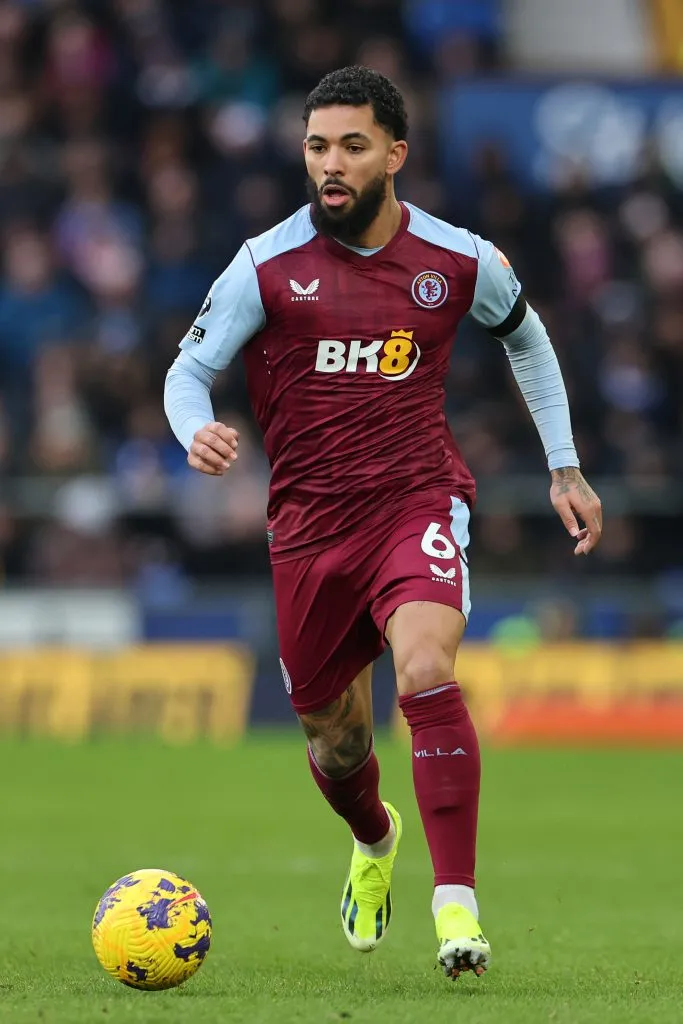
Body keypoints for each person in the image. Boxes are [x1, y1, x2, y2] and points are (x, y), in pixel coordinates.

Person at [164, 66, 603, 980]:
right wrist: (193, 427)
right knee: (336, 740)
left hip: (415, 501)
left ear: (394, 154)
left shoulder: (459, 261)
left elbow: (526, 336)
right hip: (308, 531)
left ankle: (457, 911)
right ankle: (374, 838)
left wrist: (563, 464)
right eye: (317, 146)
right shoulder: (263, 265)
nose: (330, 164)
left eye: (351, 146)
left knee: (425, 667)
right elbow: (186, 371)